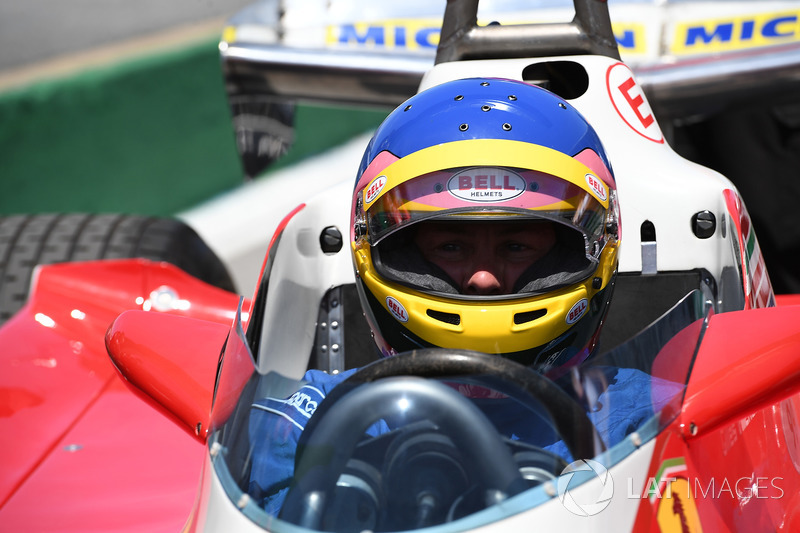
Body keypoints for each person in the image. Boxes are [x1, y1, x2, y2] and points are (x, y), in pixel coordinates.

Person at [247, 78, 675, 525]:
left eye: (516, 247)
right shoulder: (317, 419)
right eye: (451, 247)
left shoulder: (653, 416)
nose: (483, 279)